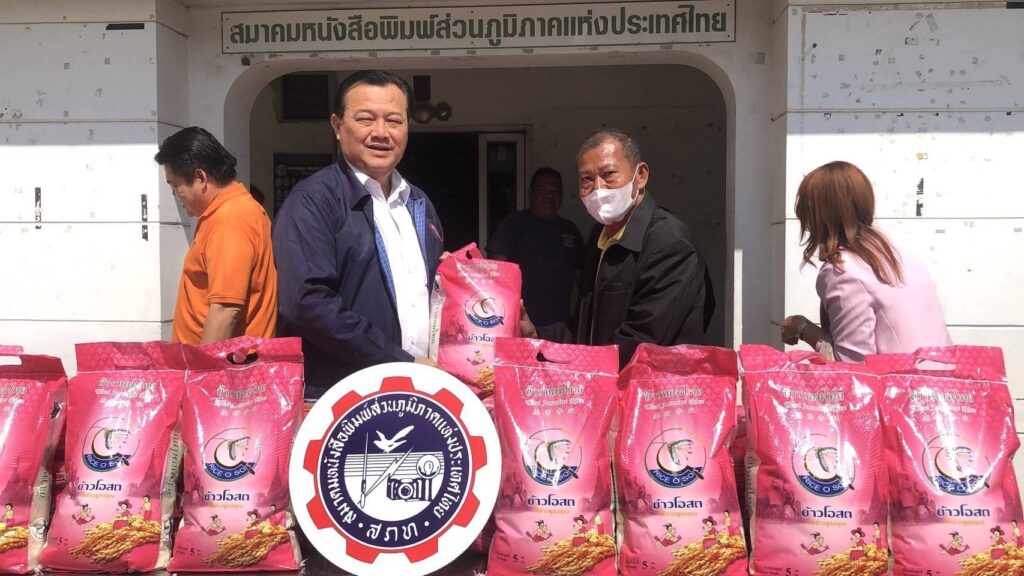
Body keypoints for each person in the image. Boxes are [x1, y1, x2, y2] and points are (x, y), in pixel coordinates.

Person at [273, 70, 444, 397]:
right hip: (342, 399)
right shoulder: (313, 201)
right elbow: (306, 304)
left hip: (419, 393)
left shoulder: (418, 202)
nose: (381, 133)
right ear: (337, 126)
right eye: (366, 119)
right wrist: (399, 362)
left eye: (394, 121)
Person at [522, 129, 715, 368]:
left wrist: (577, 372)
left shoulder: (669, 243)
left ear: (641, 176)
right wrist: (537, 335)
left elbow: (642, 343)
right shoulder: (600, 236)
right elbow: (585, 329)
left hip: (651, 387)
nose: (598, 188)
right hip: (602, 382)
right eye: (586, 179)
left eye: (609, 174)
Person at [780, 161, 951, 362]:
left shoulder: (842, 271)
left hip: (902, 381)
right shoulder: (895, 251)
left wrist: (801, 327)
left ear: (817, 216)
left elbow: (853, 365)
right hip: (944, 377)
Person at [155, 127, 278, 345]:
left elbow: (225, 309)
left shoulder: (229, 219)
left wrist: (203, 366)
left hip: (224, 364)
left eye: (175, 186)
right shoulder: (229, 212)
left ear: (200, 178)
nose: (175, 195)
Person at [486, 168, 583, 326]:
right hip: (519, 323)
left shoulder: (570, 230)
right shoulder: (513, 225)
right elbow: (494, 273)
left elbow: (583, 282)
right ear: (531, 194)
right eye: (543, 190)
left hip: (560, 326)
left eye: (555, 191)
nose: (549, 195)